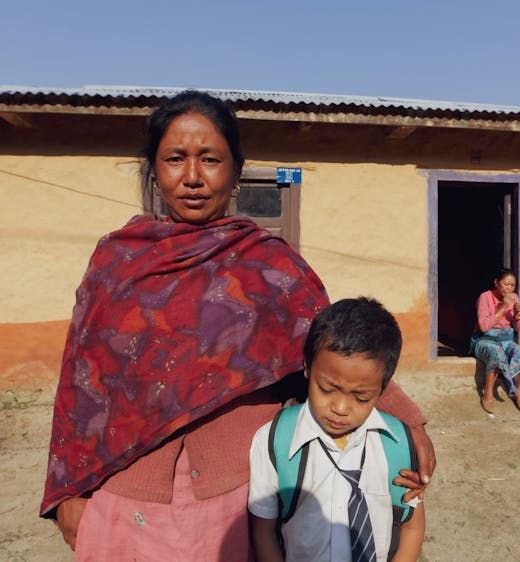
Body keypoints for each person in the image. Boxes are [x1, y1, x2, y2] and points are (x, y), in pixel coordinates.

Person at [40, 90, 435, 561]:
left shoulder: (269, 266)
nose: (192, 177)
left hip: (236, 494)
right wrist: (67, 491)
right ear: (153, 169)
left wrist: (409, 426)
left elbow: (332, 346)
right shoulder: (117, 260)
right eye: (174, 159)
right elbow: (82, 386)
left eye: (210, 159)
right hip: (130, 495)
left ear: (236, 170)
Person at [249, 297, 425, 562]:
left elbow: (412, 524)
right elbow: (263, 532)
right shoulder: (275, 441)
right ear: (307, 367)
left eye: (361, 397)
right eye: (328, 389)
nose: (341, 408)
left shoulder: (397, 444)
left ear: (382, 388)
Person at [470, 268, 520, 413]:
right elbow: (483, 326)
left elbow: (518, 328)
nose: (510, 288)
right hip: (485, 340)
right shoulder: (485, 297)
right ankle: (488, 395)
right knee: (497, 353)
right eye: (506, 284)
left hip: (506, 340)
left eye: (512, 285)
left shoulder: (514, 298)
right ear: (496, 282)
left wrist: (516, 315)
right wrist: (503, 307)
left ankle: (518, 392)